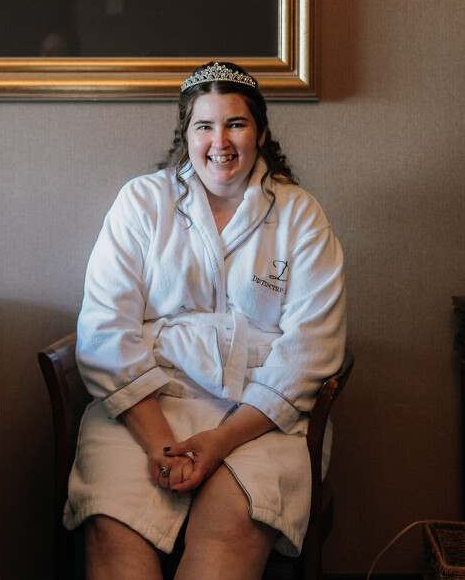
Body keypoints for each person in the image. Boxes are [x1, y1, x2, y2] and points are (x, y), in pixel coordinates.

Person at [66, 62, 346, 580]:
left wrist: (221, 441)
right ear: (186, 135)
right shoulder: (142, 203)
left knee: (230, 527)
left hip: (257, 415)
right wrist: (160, 443)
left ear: (261, 133)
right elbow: (105, 331)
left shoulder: (300, 215)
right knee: (115, 529)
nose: (221, 142)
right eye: (205, 126)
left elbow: (310, 350)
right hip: (145, 404)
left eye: (236, 124)